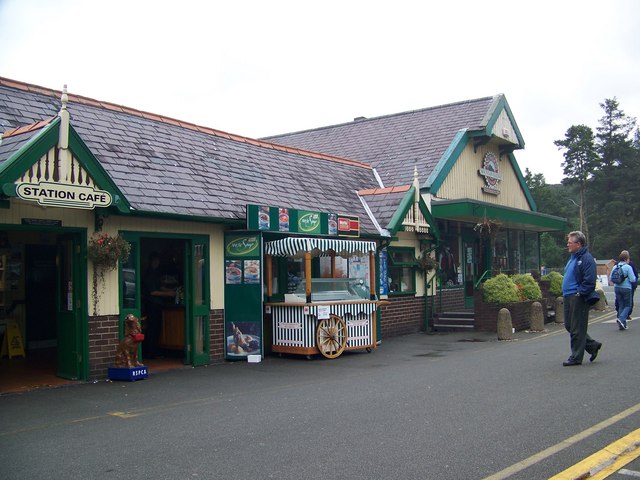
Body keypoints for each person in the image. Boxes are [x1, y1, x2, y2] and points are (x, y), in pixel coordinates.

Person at [561, 231, 602, 366]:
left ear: (578, 244)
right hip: (568, 296)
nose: (567, 244)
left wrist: (580, 293)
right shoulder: (572, 257)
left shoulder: (586, 258)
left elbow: (589, 280)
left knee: (577, 328)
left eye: (570, 242)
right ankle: (592, 345)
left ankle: (576, 357)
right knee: (569, 326)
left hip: (577, 296)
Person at [141, 251, 176, 358]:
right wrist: (168, 293)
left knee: (156, 328)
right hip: (152, 305)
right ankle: (150, 353)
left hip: (157, 305)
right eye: (155, 260)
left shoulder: (156, 273)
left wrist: (172, 289)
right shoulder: (149, 274)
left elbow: (160, 287)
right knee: (152, 328)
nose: (157, 262)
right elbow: (153, 292)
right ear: (150, 261)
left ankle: (154, 351)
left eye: (158, 260)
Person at [612, 250, 636, 330]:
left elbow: (610, 278)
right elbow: (633, 279)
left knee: (621, 305)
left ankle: (623, 325)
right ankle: (621, 319)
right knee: (628, 305)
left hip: (617, 288)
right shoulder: (628, 267)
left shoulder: (615, 266)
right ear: (626, 259)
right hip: (626, 288)